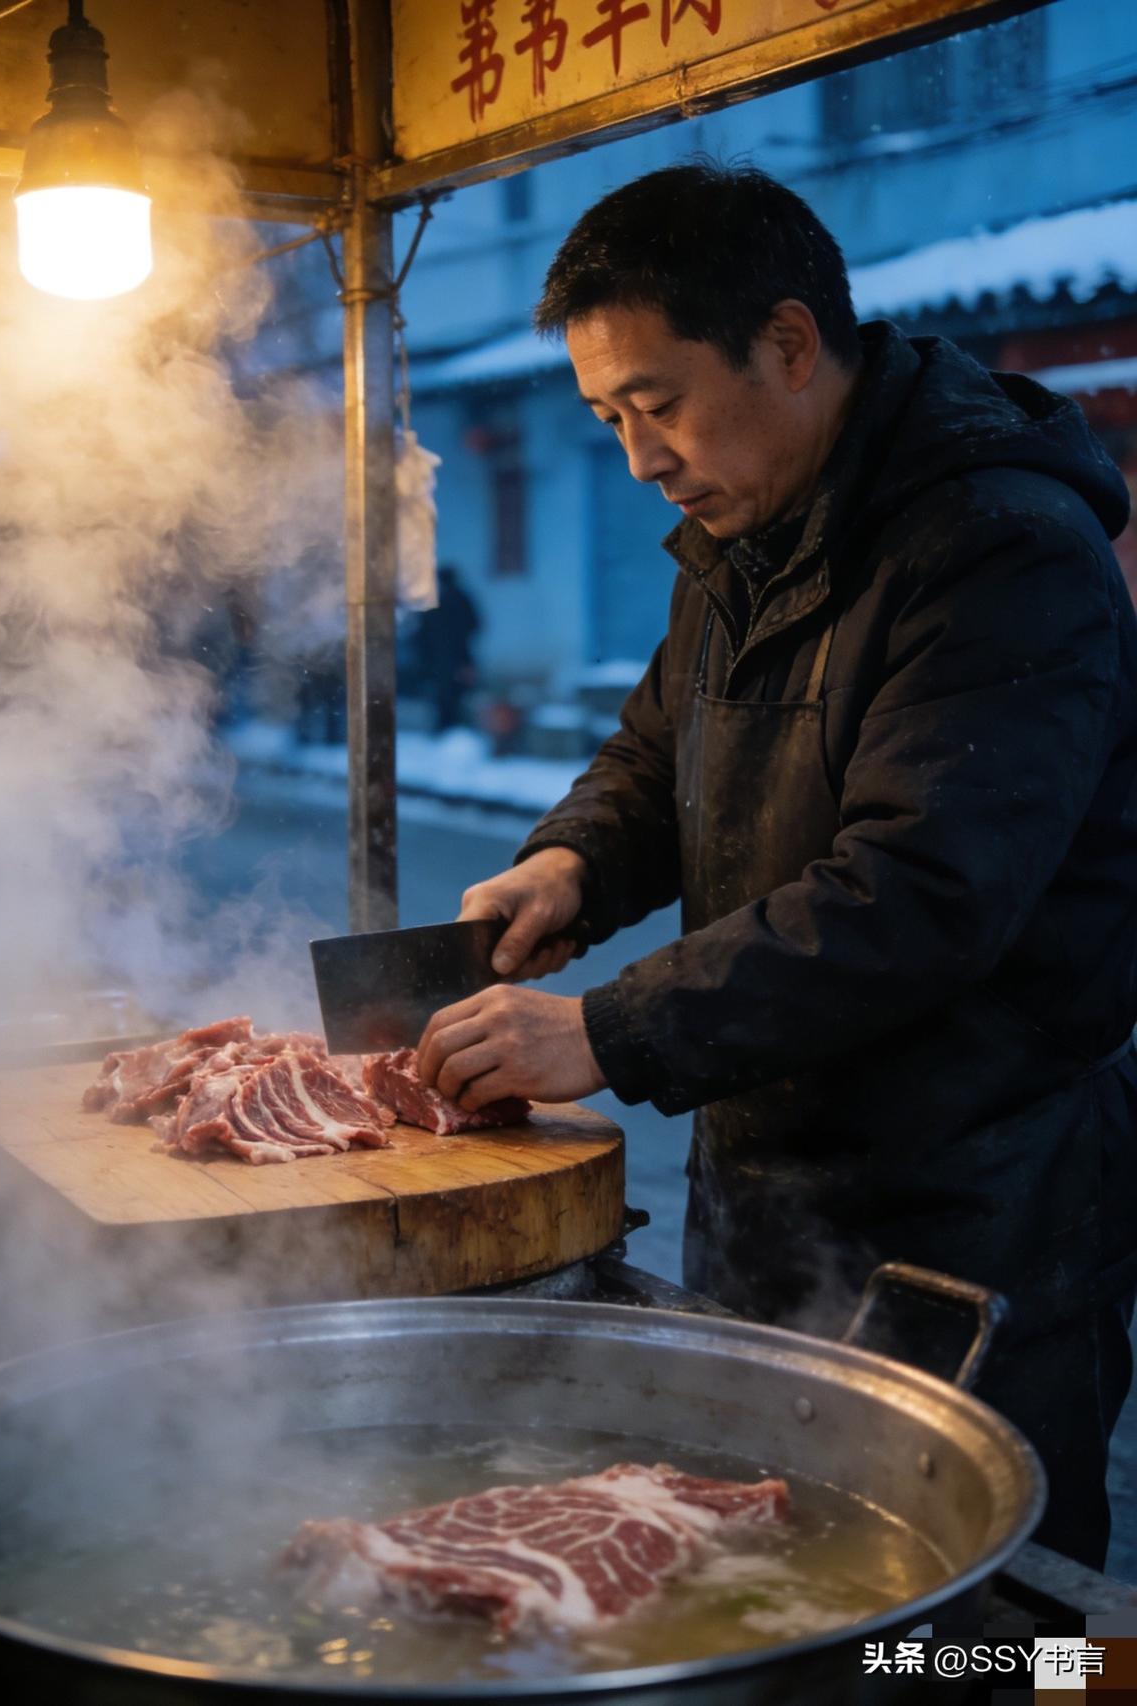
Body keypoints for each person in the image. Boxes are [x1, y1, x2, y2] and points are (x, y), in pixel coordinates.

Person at [415, 162, 1137, 1569]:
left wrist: (604, 1028)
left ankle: (1080, 1680)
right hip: (766, 1183)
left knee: (983, 1617)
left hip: (972, 1208)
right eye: (608, 419)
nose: (639, 457)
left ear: (790, 344)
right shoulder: (745, 531)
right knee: (770, 1576)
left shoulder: (999, 549)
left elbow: (921, 891)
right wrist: (569, 861)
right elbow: (657, 749)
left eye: (659, 403)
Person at [409, 564, 481, 731]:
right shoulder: (460, 599)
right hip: (456, 655)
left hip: (440, 657)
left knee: (444, 694)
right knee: (454, 694)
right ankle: (452, 728)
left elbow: (421, 633)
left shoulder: (436, 601)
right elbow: (474, 624)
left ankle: (447, 728)